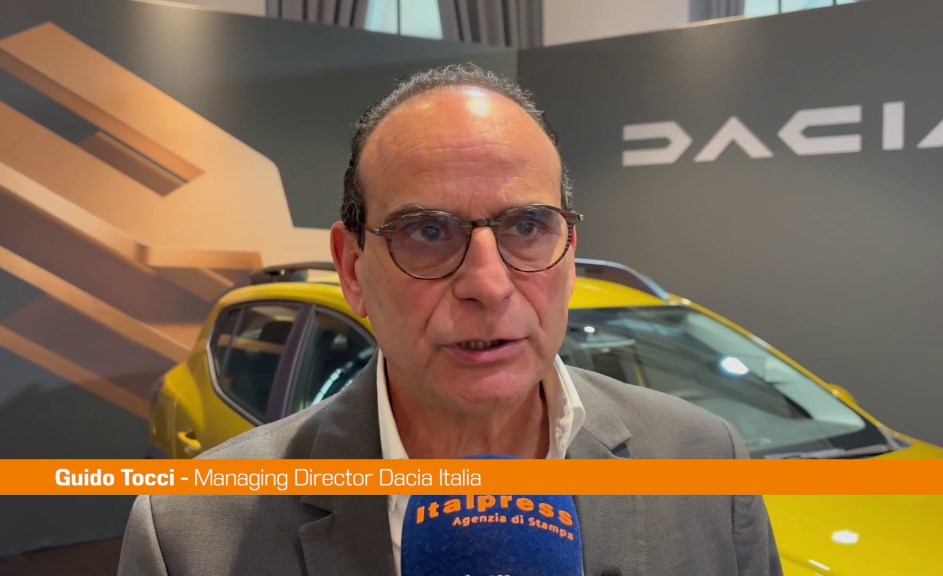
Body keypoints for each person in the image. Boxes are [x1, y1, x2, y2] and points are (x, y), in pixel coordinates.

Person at [118, 63, 782, 576]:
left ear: (570, 250)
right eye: (428, 232)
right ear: (353, 269)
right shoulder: (190, 531)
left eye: (527, 226)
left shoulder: (708, 464)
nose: (488, 285)